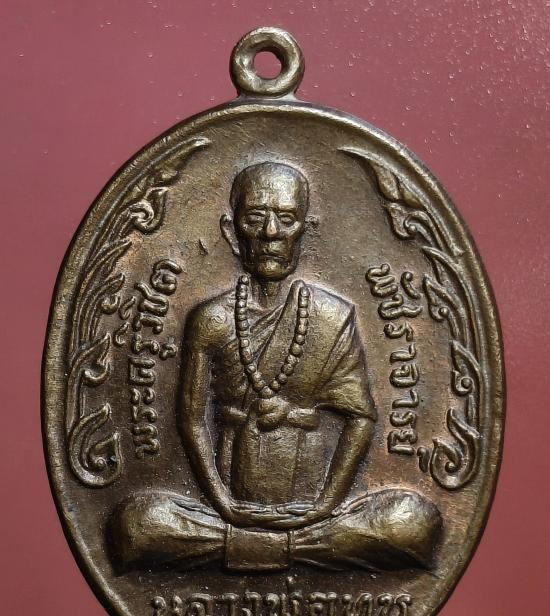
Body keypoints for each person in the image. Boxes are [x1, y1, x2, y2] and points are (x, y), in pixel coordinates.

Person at [112, 162, 441, 572]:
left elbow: (361, 418)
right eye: (255, 218)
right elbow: (192, 420)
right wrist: (223, 503)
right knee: (137, 525)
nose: (270, 233)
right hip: (225, 506)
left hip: (314, 513)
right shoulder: (211, 319)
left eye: (286, 219)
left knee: (411, 523)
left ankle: (257, 547)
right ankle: (282, 547)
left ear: (307, 230)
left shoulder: (331, 316)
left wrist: (325, 506)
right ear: (232, 233)